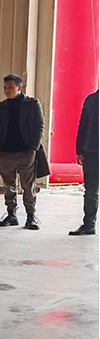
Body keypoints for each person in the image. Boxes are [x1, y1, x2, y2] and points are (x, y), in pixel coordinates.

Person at [0, 74, 47, 230]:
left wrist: (33, 148)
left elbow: (40, 126)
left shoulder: (32, 104)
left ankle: (31, 216)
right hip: (5, 153)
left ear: (19, 88)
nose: (6, 90)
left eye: (10, 87)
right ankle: (11, 215)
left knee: (28, 186)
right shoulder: (0, 107)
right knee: (9, 187)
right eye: (5, 87)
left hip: (26, 152)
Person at [70, 89, 99, 235]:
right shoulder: (91, 99)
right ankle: (89, 224)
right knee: (90, 191)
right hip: (92, 151)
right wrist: (79, 150)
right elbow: (83, 126)